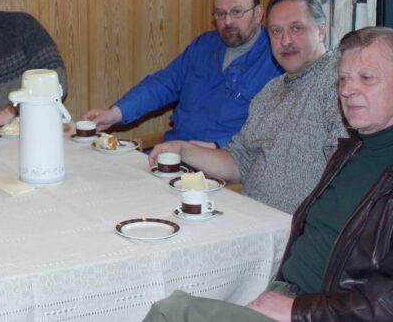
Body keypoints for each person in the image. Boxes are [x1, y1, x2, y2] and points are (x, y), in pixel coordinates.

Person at [144, 26, 393, 322]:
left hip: (318, 311)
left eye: (366, 78)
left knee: (171, 311)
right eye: (343, 78)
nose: (347, 90)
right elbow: (239, 160)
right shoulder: (351, 151)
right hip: (288, 291)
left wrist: (298, 310)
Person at [149, 0, 347, 213]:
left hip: (296, 223)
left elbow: (345, 174)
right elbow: (237, 162)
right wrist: (182, 149)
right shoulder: (270, 91)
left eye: (296, 28)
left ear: (321, 31)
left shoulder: (341, 84)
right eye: (276, 31)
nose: (285, 41)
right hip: (247, 212)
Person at [83, 0, 282, 147]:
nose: (228, 21)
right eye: (220, 14)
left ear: (258, 14)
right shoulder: (204, 45)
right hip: (174, 155)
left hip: (223, 164)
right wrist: (115, 114)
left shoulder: (276, 59)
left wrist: (219, 146)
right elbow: (163, 84)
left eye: (237, 12)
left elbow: (273, 128)